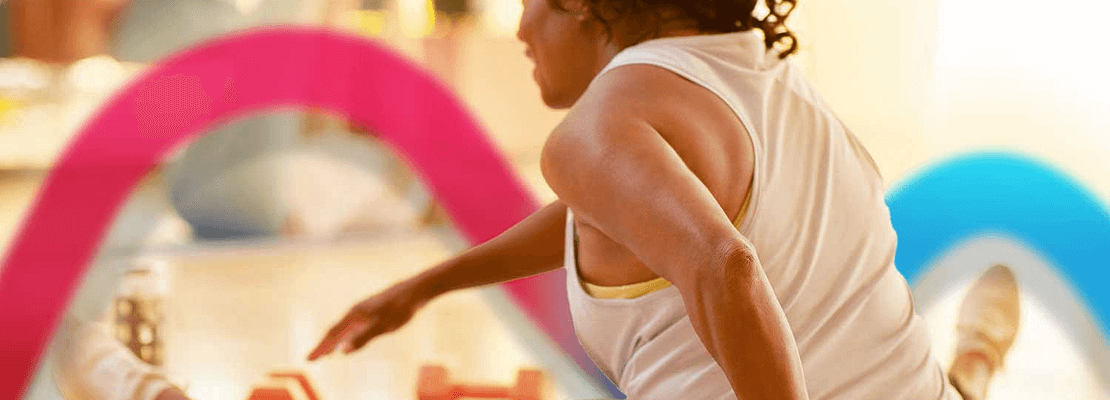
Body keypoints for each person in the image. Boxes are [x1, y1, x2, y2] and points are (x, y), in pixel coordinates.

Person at [307, 0, 1024, 399]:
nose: (520, 27)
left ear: (584, 4)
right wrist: (431, 284)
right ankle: (978, 352)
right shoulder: (765, 73)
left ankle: (979, 353)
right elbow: (620, 213)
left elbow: (725, 265)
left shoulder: (594, 129)